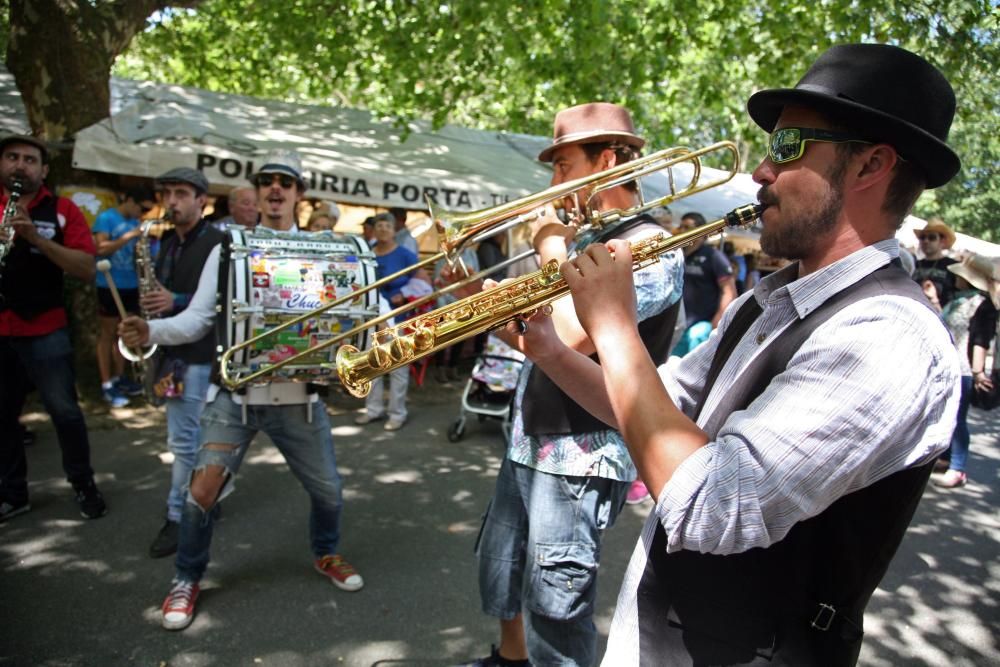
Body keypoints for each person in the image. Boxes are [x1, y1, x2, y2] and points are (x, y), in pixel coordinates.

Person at [508, 44, 962, 666]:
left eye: (788, 147)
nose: (761, 173)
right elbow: (656, 404)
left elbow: (710, 504)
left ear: (870, 167)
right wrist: (552, 350)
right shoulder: (770, 300)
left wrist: (612, 327)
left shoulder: (888, 335)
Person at [465, 102, 684, 667]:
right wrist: (479, 302)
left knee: (556, 610)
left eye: (562, 167)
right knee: (503, 571)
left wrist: (549, 243)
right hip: (528, 435)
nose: (552, 184)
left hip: (579, 457)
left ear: (607, 161)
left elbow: (571, 332)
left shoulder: (649, 245)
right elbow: (535, 335)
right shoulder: (591, 238)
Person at [121, 150, 363, 630]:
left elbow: (349, 322)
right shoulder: (227, 248)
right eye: (268, 181)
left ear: (298, 194)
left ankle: (325, 553)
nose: (276, 189)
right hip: (235, 396)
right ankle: (187, 578)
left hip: (299, 401)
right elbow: (197, 320)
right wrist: (152, 333)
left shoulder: (326, 251)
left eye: (286, 183)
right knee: (200, 492)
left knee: (330, 494)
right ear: (257, 191)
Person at [0, 134, 107, 521]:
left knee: (64, 412)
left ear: (43, 170)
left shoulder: (63, 210)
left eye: (29, 160)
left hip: (45, 328)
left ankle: (83, 484)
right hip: (1, 327)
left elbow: (85, 267)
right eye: (12, 157)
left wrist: (35, 239)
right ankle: (13, 491)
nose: (19, 166)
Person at [142, 168, 225, 559]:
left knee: (185, 442)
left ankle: (179, 516)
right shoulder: (169, 243)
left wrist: (173, 301)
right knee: (193, 438)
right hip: (172, 356)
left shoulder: (217, 242)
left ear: (201, 201)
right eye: (167, 193)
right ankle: (207, 496)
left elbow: (217, 303)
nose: (171, 201)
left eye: (180, 193)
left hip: (199, 355)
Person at [935, 254, 999, 488]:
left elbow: (980, 341)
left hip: (963, 370)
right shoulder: (960, 300)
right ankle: (946, 457)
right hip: (950, 366)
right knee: (946, 415)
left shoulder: (982, 305)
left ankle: (958, 468)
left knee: (957, 420)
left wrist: (979, 371)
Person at [355, 212, 420, 430]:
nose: (382, 229)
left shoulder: (405, 254)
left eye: (387, 226)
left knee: (397, 369)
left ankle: (397, 413)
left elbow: (425, 282)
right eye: (379, 226)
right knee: (371, 364)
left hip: (397, 319)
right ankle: (373, 410)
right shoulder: (367, 254)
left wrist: (404, 292)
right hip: (371, 318)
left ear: (394, 230)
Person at [93, 184, 156, 407]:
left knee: (125, 333)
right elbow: (100, 249)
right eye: (142, 208)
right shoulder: (107, 218)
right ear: (129, 200)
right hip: (109, 284)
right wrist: (131, 235)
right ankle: (106, 384)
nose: (143, 213)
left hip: (132, 285)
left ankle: (120, 378)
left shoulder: (136, 222)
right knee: (108, 333)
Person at [672, 211, 737, 356]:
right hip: (678, 323)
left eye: (687, 227)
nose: (682, 231)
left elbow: (729, 290)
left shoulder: (713, 256)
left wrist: (718, 319)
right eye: (681, 226)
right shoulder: (678, 255)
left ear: (701, 232)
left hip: (700, 325)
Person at [912, 217, 958, 309]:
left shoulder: (953, 266)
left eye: (932, 237)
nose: (926, 241)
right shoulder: (914, 264)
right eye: (922, 237)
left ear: (942, 241)